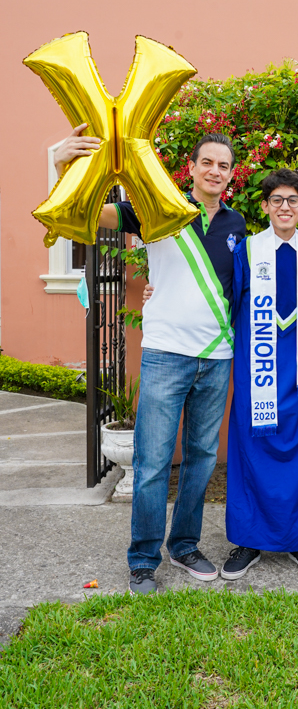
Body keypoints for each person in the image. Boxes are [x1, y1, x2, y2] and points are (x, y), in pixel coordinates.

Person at [53, 124, 245, 595]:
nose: (215, 171)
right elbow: (84, 216)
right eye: (207, 162)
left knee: (201, 460)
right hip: (165, 355)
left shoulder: (237, 225)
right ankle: (142, 560)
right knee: (154, 463)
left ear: (230, 174)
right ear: (191, 168)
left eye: (223, 165)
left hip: (217, 357)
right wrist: (61, 167)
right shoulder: (157, 207)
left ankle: (184, 546)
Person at [221, 169, 298, 579]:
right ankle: (249, 540)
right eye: (277, 200)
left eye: (293, 201)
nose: (285, 207)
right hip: (259, 369)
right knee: (251, 450)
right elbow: (225, 301)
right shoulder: (247, 250)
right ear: (265, 206)